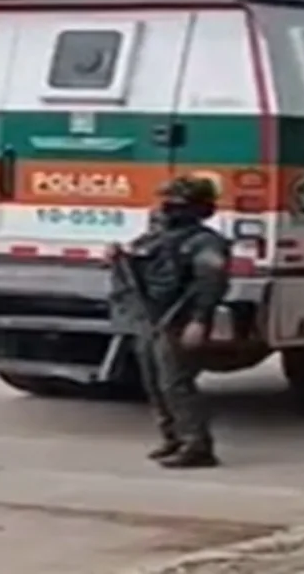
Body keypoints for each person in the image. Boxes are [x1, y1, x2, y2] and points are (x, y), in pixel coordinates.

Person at [109, 176, 230, 468]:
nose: (166, 209)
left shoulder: (205, 242)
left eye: (176, 204)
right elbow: (139, 259)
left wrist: (199, 321)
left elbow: (210, 284)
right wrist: (118, 256)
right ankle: (172, 438)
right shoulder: (158, 236)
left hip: (178, 318)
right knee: (154, 382)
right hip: (150, 317)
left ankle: (197, 445)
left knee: (176, 383)